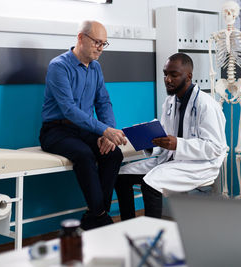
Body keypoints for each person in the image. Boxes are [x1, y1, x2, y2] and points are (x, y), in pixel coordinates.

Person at [115, 53, 227, 219]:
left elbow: (216, 148)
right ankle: (129, 226)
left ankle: (153, 235)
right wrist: (147, 139)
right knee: (121, 176)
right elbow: (165, 138)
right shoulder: (170, 102)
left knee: (150, 184)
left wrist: (178, 145)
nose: (167, 79)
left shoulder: (207, 105)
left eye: (173, 75)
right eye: (165, 74)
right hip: (170, 160)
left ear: (188, 76)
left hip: (199, 165)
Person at [39, 20, 126, 230]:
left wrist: (108, 134)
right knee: (85, 155)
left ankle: (94, 216)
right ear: (80, 37)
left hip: (84, 130)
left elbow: (103, 102)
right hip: (56, 130)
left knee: (113, 154)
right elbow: (69, 109)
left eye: (104, 44)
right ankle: (101, 218)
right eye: (97, 42)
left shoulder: (96, 68)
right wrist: (103, 129)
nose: (101, 48)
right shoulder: (59, 66)